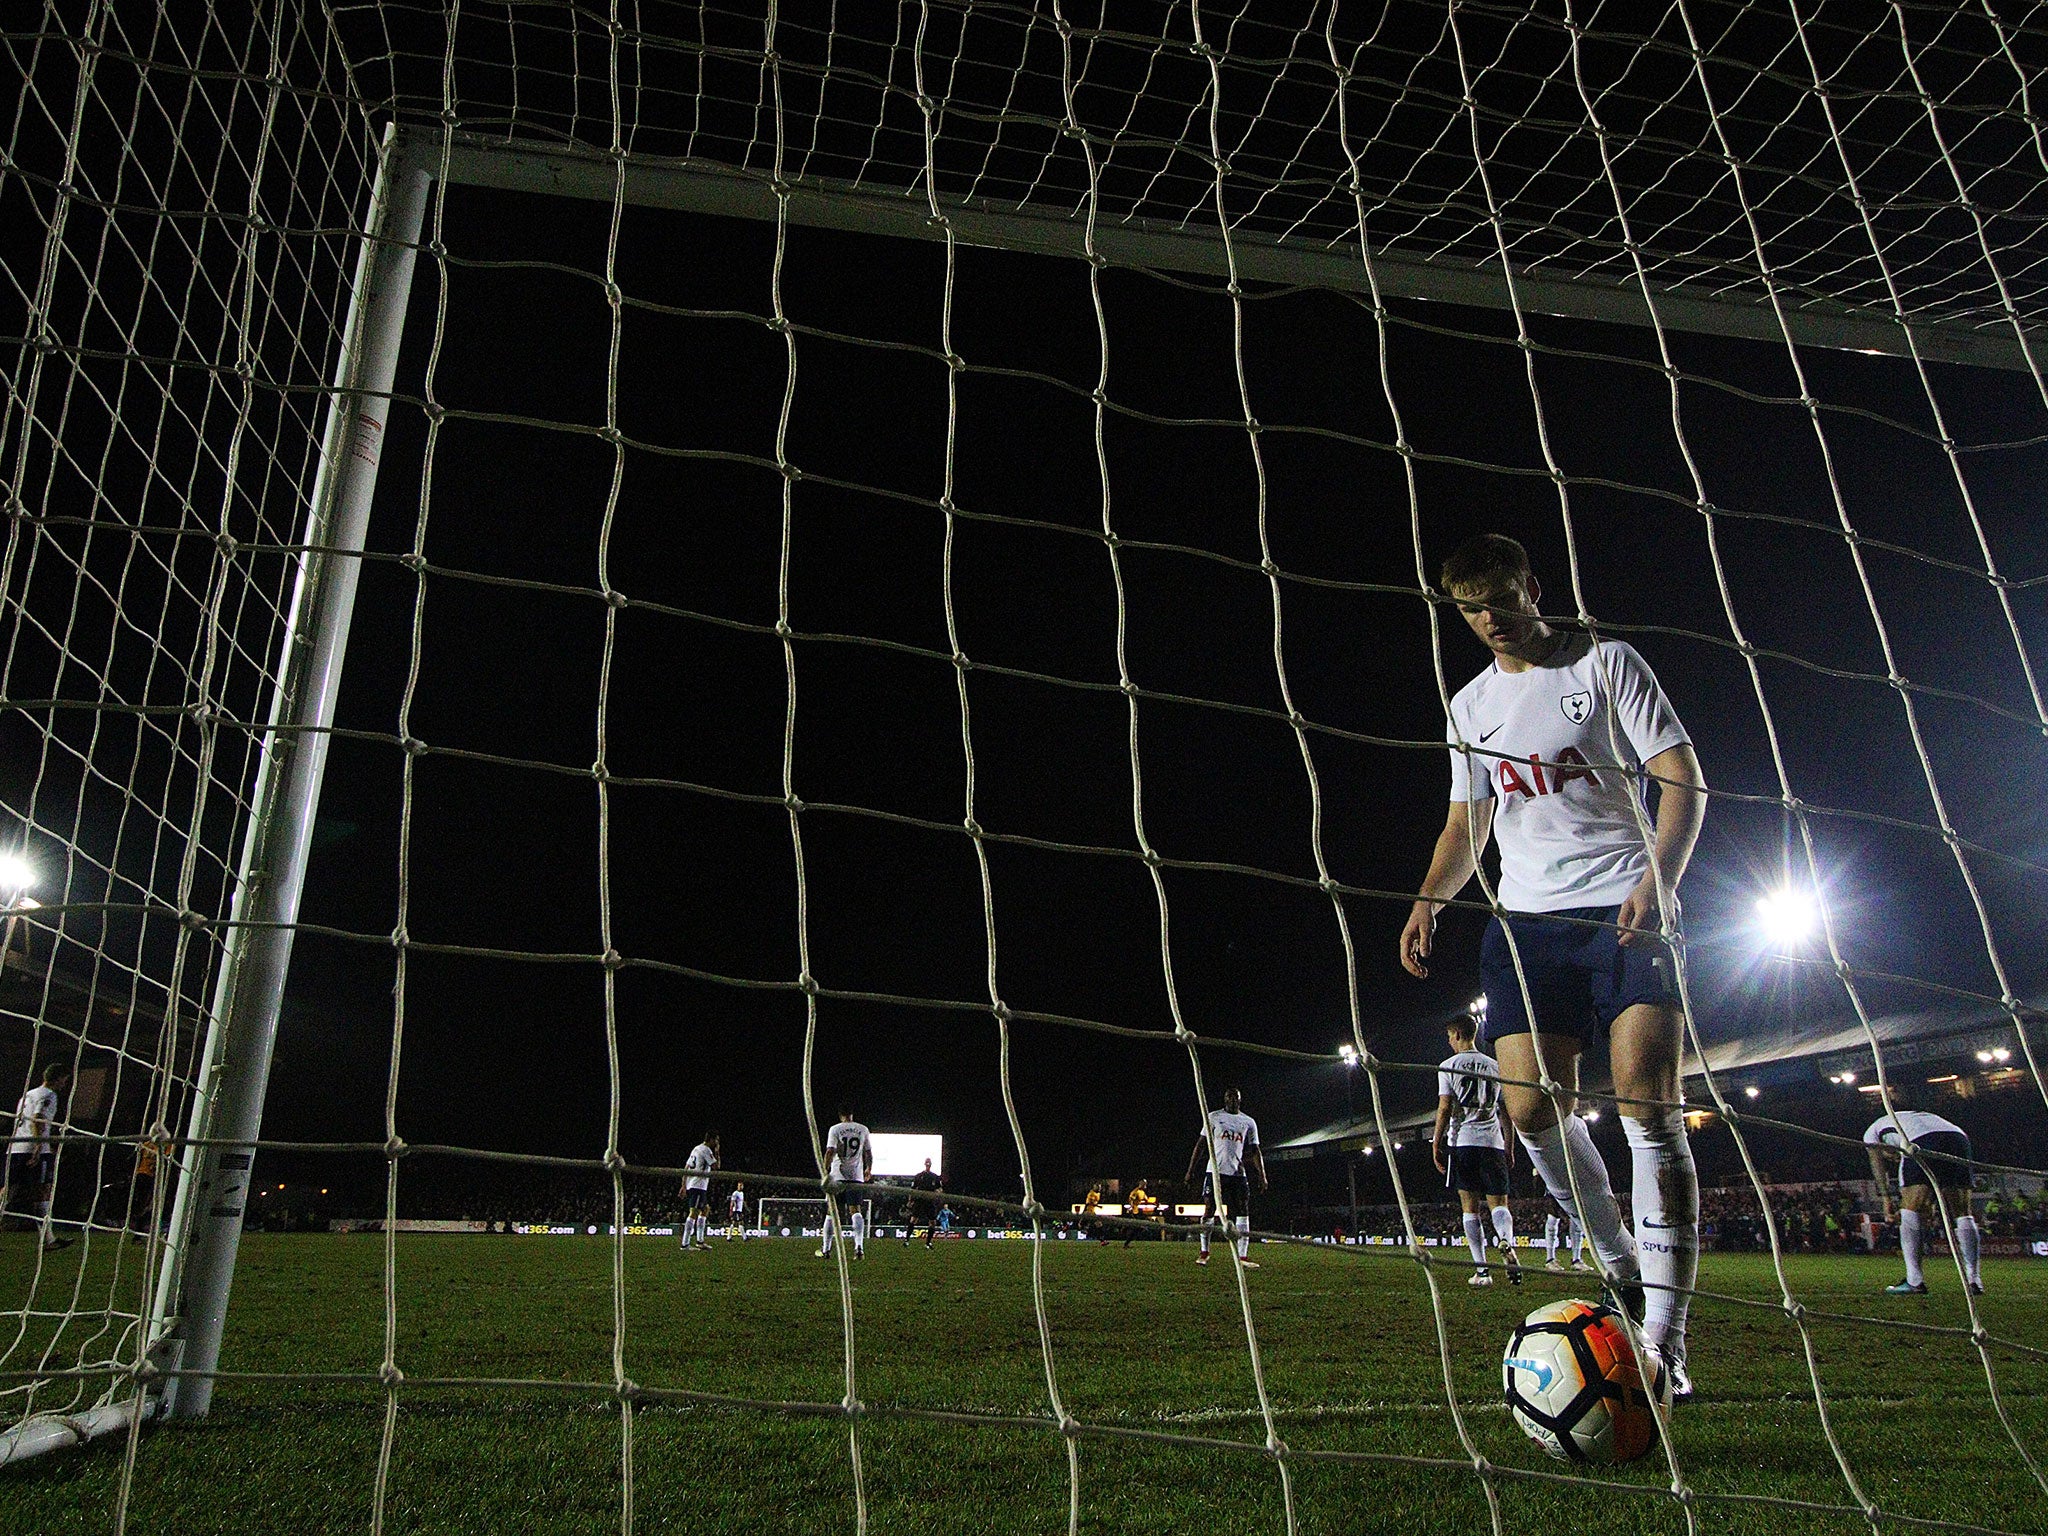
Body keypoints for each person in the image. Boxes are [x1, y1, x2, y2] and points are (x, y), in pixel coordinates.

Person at [1399, 534, 1705, 1401]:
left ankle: (1665, 1340)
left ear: (1532, 586)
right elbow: (1469, 826)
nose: (1489, 619)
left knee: (1650, 1101)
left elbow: (1682, 779)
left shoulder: (1608, 664)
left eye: (1499, 598)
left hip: (1624, 907)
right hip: (1525, 924)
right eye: (1470, 609)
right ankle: (1620, 1264)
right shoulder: (1470, 705)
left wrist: (1660, 879)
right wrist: (1428, 901)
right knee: (1531, 1109)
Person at [1432, 1014, 1520, 1287]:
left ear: (1458, 1034)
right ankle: (1505, 1239)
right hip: (1492, 1143)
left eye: (1449, 1035)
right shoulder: (1496, 1066)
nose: (1448, 1040)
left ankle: (1483, 1272)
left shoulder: (1448, 1066)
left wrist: (1436, 1142)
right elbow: (1506, 1112)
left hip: (1463, 1143)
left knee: (1469, 1207)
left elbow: (1445, 1109)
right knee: (1499, 1204)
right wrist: (1509, 1145)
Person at [1865, 1103, 1981, 1296]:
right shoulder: (1910, 1117)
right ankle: (1974, 1280)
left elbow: (1877, 1166)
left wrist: (1886, 1199)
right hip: (1958, 1137)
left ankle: (1914, 1281)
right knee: (1963, 1212)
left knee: (1910, 1209)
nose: (1893, 1159)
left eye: (1891, 1156)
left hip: (1921, 1140)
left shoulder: (1872, 1132)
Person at [1183, 1088, 1267, 1269]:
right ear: (1224, 1099)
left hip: (1238, 1173)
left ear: (1240, 1099)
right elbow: (1200, 1145)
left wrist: (1262, 1175)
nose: (1232, 1100)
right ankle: (1204, 1252)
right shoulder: (1213, 1117)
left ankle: (1242, 1256)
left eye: (1235, 1097)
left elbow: (1255, 1150)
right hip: (1214, 1171)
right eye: (1229, 1096)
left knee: (1243, 1209)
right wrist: (1191, 1170)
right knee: (1209, 1208)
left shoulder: (1248, 1122)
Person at [4, 1063, 72, 1251]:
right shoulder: (49, 1095)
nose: (64, 1084)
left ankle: (49, 1239)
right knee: (43, 1191)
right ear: (57, 1078)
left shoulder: (29, 1094)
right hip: (33, 1148)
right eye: (64, 1080)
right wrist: (39, 1148)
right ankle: (48, 1240)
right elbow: (37, 1119)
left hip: (16, 1147)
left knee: (7, 1193)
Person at [819, 1109, 871, 1259]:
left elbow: (830, 1151)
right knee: (855, 1210)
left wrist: (824, 1170)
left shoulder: (835, 1129)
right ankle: (859, 1247)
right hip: (856, 1176)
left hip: (837, 1176)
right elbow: (868, 1152)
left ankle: (826, 1249)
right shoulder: (863, 1129)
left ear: (840, 1114)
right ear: (852, 1114)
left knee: (832, 1212)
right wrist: (869, 1168)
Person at [678, 1132, 719, 1251]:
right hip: (698, 1186)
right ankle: (685, 1244)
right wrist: (717, 1151)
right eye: (716, 1140)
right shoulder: (706, 1150)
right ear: (711, 1140)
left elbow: (686, 1167)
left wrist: (684, 1185)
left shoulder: (696, 1149)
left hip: (695, 1185)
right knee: (694, 1213)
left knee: (705, 1209)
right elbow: (716, 1167)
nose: (716, 1143)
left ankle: (700, 1241)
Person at [906, 1157, 943, 1249]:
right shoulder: (919, 1176)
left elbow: (940, 1188)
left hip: (930, 1201)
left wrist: (938, 1193)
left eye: (929, 1162)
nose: (928, 1164)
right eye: (926, 1162)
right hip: (920, 1200)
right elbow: (913, 1189)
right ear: (924, 1163)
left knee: (932, 1222)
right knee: (913, 1219)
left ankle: (928, 1242)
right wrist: (910, 1200)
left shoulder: (935, 1176)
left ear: (931, 1164)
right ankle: (906, 1240)